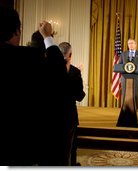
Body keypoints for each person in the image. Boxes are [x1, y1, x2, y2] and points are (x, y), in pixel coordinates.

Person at [0, 6, 68, 166]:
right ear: (17, 31)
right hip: (17, 146)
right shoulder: (27, 57)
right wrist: (48, 36)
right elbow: (59, 73)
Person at [59, 42, 86, 166]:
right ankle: (72, 165)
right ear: (70, 54)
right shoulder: (75, 72)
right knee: (71, 145)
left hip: (53, 114)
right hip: (69, 114)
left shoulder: (48, 69)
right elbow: (80, 96)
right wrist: (77, 76)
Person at [118, 38, 138, 109]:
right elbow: (119, 66)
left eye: (132, 43)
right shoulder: (123, 54)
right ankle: (124, 110)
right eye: (129, 43)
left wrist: (135, 69)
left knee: (135, 95)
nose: (130, 45)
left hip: (136, 79)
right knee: (125, 95)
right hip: (125, 79)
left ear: (135, 44)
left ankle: (135, 111)